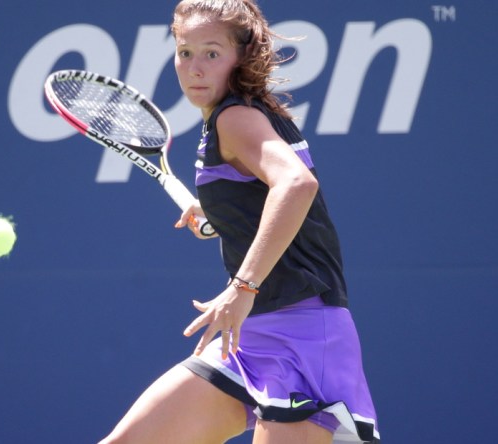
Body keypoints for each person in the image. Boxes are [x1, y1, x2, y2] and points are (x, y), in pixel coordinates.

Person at [98, 0, 380, 443]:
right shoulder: (246, 115)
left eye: (212, 53)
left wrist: (242, 286)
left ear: (242, 56)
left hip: (303, 337)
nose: (194, 67)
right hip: (249, 339)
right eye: (185, 52)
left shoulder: (235, 118)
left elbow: (296, 185)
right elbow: (271, 194)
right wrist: (219, 208)